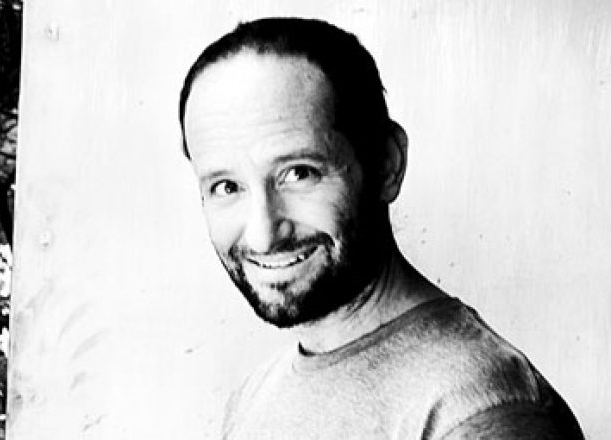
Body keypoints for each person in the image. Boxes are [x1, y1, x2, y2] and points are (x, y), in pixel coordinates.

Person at [178, 17, 584, 439]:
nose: (263, 235)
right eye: (227, 187)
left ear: (387, 164)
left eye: (299, 173)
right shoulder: (254, 396)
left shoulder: (480, 415)